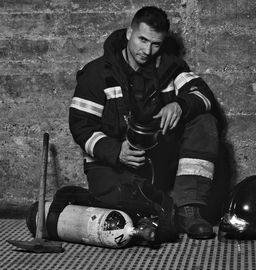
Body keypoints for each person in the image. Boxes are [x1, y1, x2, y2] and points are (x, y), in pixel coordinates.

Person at [69, 6, 219, 240]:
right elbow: (81, 126)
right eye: (142, 39)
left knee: (204, 120)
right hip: (111, 164)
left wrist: (180, 104)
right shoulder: (96, 74)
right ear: (129, 33)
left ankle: (189, 208)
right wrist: (116, 151)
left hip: (157, 162)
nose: (147, 50)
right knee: (129, 214)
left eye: (156, 44)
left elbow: (203, 96)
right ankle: (160, 212)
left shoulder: (170, 68)